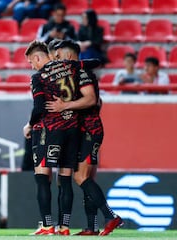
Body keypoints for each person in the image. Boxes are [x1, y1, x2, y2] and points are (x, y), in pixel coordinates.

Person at [46, 41, 123, 236]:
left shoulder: (81, 73)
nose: (56, 60)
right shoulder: (78, 73)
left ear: (68, 56)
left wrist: (65, 106)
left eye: (58, 56)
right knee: (86, 178)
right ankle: (91, 227)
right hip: (85, 130)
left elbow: (90, 98)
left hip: (89, 130)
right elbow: (97, 101)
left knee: (81, 177)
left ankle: (110, 216)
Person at [23, 40, 87, 235]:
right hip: (72, 129)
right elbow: (94, 62)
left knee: (43, 177)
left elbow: (40, 107)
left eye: (31, 62)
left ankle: (47, 224)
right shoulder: (69, 67)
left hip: (49, 130)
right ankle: (65, 226)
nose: (31, 66)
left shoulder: (39, 77)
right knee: (65, 179)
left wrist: (29, 124)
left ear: (36, 57)